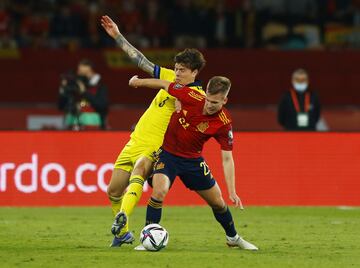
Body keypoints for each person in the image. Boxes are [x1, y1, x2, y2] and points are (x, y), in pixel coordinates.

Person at [100, 15, 206, 247]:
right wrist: (117, 36)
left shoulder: (198, 97)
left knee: (140, 168)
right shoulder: (169, 77)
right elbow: (141, 61)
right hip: (136, 139)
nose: (177, 73)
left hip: (158, 145)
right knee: (113, 190)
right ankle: (123, 233)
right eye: (176, 68)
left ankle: (124, 216)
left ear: (195, 72)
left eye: (182, 70)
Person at [127, 75, 258, 251]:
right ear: (205, 95)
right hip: (168, 155)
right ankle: (147, 239)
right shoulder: (191, 96)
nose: (210, 105)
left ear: (225, 100)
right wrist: (138, 82)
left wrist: (232, 191)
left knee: (218, 203)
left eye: (215, 103)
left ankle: (233, 238)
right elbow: (165, 84)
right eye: (209, 100)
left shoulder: (224, 122)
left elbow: (227, 158)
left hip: (193, 161)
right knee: (159, 191)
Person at [58, 59, 108, 130]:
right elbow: (61, 106)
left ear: (88, 68)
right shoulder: (77, 84)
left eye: (80, 69)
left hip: (94, 129)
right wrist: (63, 90)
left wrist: (84, 92)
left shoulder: (100, 85)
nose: (78, 71)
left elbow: (102, 105)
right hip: (73, 127)